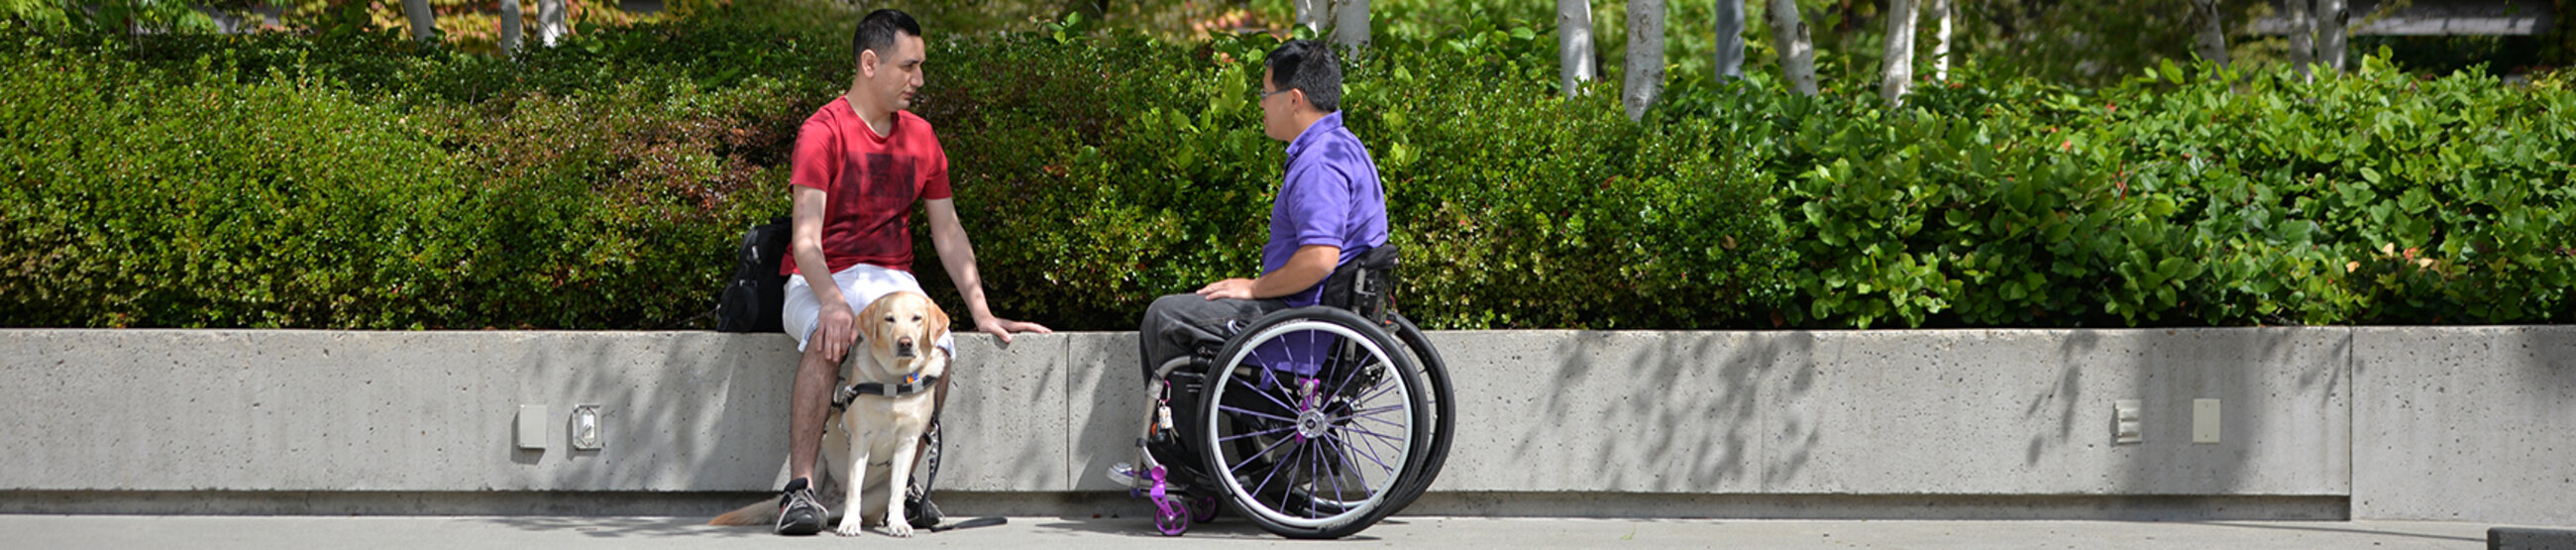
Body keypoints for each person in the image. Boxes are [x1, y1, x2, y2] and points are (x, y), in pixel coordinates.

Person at [773, 8, 1051, 536]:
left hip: (889, 278)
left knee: (941, 351)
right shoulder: (822, 131)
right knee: (827, 338)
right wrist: (832, 301)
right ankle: (800, 491)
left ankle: (905, 488)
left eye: (920, 67)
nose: (919, 80)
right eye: (909, 66)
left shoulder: (921, 137)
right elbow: (805, 240)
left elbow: (948, 233)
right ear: (870, 63)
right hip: (818, 275)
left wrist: (982, 311)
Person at [1133, 39, 1388, 385]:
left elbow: (1319, 258)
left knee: (1165, 317)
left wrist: (1254, 288)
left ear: (1295, 99)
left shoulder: (1319, 164)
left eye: (1266, 94)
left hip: (1304, 324)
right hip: (1325, 317)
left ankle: (1182, 439)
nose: (1261, 104)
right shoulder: (1344, 146)